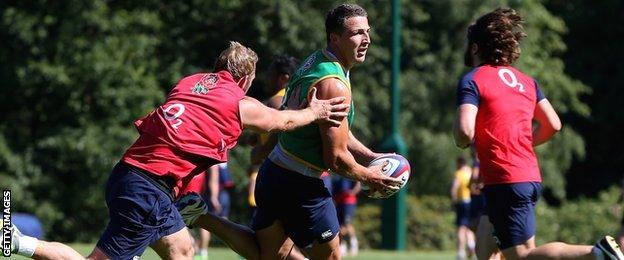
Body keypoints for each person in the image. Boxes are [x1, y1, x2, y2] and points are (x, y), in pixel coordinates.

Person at [9, 41, 350, 260]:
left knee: (183, 250)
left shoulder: (189, 82)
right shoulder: (238, 101)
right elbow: (280, 122)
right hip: (149, 187)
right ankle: (15, 241)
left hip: (131, 175)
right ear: (246, 78)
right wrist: (317, 112)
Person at [453, 8, 624, 260]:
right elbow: (552, 124)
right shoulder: (526, 81)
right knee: (484, 246)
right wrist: (515, 146)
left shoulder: (473, 79)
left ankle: (597, 252)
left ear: (476, 48)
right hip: (524, 176)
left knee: (523, 256)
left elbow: (465, 132)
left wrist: (462, 139)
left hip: (506, 180)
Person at [252, 4, 403, 260]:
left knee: (272, 256)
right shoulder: (334, 84)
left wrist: (371, 156)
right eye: (357, 33)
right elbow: (335, 158)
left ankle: (204, 217)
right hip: (300, 184)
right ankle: (204, 218)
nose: (366, 39)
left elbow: (338, 132)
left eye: (368, 32)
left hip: (274, 171)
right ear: (335, 37)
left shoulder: (319, 60)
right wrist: (370, 177)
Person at [195, 163, 234, 258]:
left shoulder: (214, 159)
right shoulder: (224, 161)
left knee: (205, 224)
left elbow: (214, 179)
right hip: (224, 195)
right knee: (225, 223)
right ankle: (239, 248)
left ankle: (203, 252)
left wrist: (213, 197)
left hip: (214, 194)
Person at [450, 156, 476, 260]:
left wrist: (453, 201)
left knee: (461, 228)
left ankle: (461, 252)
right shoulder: (470, 171)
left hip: (462, 202)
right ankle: (472, 247)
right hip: (471, 201)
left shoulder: (459, 173)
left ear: (459, 163)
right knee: (470, 227)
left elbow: (454, 188)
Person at [332, 176, 361, 257]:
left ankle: (353, 243)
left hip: (348, 202)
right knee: (339, 226)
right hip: (339, 202)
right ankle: (342, 246)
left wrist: (353, 192)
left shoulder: (349, 174)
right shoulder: (337, 176)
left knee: (347, 224)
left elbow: (359, 182)